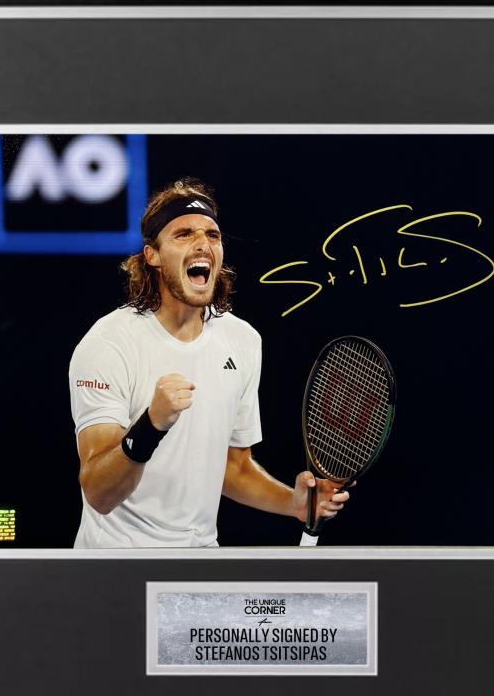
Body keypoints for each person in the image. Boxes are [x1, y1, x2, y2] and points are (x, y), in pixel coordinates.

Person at [68, 178, 349, 548]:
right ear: (152, 256)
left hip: (199, 562)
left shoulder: (243, 341)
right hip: (119, 563)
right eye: (184, 234)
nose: (203, 243)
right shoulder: (109, 344)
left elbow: (233, 467)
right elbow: (99, 493)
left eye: (212, 235)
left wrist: (292, 503)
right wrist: (151, 425)